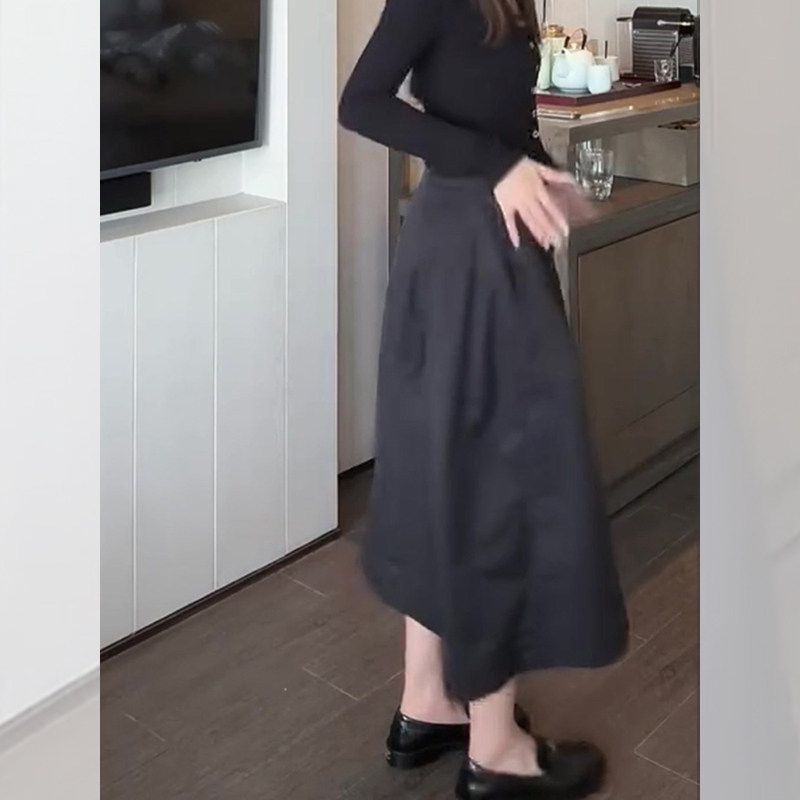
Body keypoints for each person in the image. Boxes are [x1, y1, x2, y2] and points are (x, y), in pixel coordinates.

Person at [339, 1, 629, 797]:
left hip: (477, 246)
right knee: (497, 484)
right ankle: (494, 749)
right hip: (470, 258)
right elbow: (360, 103)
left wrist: (538, 173)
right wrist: (500, 167)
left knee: (451, 475)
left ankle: (428, 702)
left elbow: (493, 115)